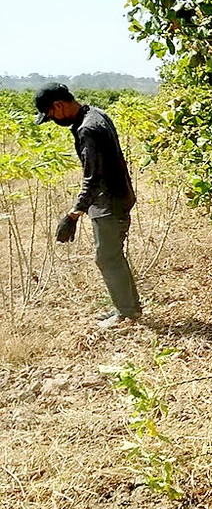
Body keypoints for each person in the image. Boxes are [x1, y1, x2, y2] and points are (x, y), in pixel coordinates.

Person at [35, 83, 142, 327]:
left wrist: (73, 214)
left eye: (50, 116)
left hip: (108, 203)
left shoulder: (87, 130)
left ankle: (126, 314)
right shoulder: (97, 114)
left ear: (58, 106)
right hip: (118, 197)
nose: (52, 120)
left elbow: (93, 179)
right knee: (112, 256)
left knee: (107, 257)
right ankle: (130, 308)